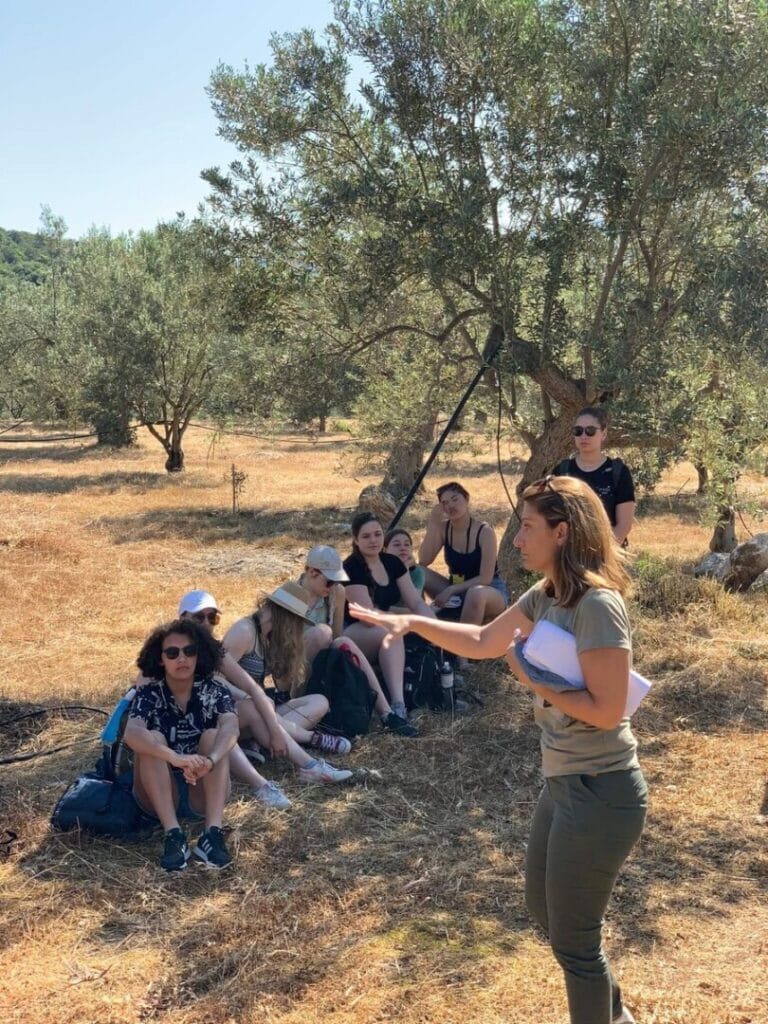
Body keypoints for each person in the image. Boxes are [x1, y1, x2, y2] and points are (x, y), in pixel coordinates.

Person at [349, 475, 646, 1024]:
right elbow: (485, 642)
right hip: (563, 782)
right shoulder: (546, 593)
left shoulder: (597, 605)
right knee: (546, 912)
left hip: (602, 789)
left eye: (527, 528)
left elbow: (607, 710)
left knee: (576, 943)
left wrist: (531, 676)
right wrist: (412, 620)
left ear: (561, 532)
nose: (516, 540)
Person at [177, 590, 351, 802]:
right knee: (244, 713)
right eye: (199, 617)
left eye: (212, 617)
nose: (207, 623)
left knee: (267, 705)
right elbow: (147, 683)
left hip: (223, 715)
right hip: (190, 723)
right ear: (182, 618)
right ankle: (285, 766)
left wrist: (286, 658)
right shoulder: (172, 646)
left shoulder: (213, 649)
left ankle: (307, 766)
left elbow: (253, 686)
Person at [124, 617, 238, 872]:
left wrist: (210, 760)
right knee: (151, 740)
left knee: (213, 736)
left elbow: (232, 727)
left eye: (189, 651)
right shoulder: (148, 694)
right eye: (172, 653)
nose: (182, 659)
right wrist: (174, 758)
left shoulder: (216, 690)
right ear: (160, 659)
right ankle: (173, 835)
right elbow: (132, 734)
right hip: (158, 792)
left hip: (203, 786)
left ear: (200, 655)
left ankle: (212, 833)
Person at [220, 582, 355, 773]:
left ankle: (258, 742)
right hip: (237, 710)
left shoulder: (269, 636)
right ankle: (310, 739)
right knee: (259, 708)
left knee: (320, 701)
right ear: (285, 614)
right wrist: (246, 696)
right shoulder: (244, 631)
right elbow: (215, 678)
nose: (297, 626)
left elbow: (284, 688)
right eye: (297, 620)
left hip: (261, 710)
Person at [298, 545, 418, 737]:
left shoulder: (336, 592)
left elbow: (337, 636)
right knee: (320, 633)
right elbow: (280, 646)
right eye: (330, 581)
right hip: (297, 669)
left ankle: (388, 713)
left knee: (342, 641)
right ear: (312, 572)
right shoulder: (290, 595)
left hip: (324, 664)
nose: (334, 586)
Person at [343, 512, 436, 723]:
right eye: (366, 536)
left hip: (385, 622)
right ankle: (397, 705)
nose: (373, 540)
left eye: (377, 534)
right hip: (354, 631)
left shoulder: (392, 562)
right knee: (391, 632)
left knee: (426, 626)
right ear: (356, 540)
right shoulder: (351, 567)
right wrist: (404, 620)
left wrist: (434, 625)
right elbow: (366, 616)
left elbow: (416, 602)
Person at [418, 481, 509, 626]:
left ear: (466, 499)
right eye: (445, 503)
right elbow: (423, 560)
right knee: (418, 571)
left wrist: (451, 589)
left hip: (487, 590)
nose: (451, 506)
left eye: (455, 499)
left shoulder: (484, 531)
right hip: (456, 591)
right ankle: (420, 628)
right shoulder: (444, 529)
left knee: (476, 593)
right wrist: (433, 524)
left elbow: (486, 578)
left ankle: (462, 645)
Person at [554, 406, 636, 546]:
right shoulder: (562, 471)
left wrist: (602, 554)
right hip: (569, 558)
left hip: (608, 557)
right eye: (578, 431)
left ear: (603, 434)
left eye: (590, 431)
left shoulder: (618, 472)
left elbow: (624, 526)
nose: (584, 436)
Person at [384, 528, 426, 597]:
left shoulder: (416, 572)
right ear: (385, 550)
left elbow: (414, 603)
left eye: (406, 544)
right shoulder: (376, 569)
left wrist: (404, 569)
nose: (403, 548)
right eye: (397, 545)